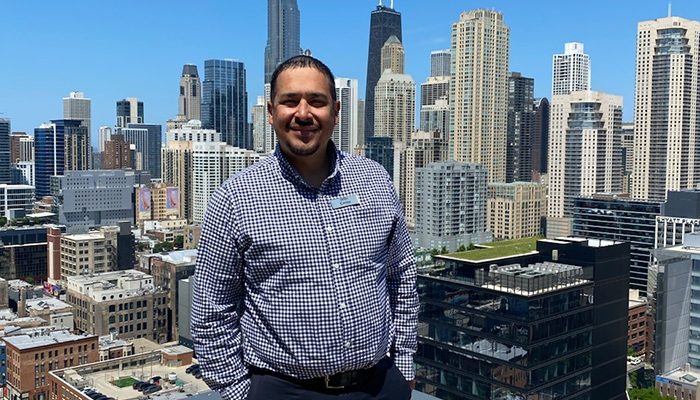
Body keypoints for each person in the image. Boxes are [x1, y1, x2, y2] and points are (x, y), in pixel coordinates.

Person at [191, 55, 418, 400]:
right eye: (289, 101)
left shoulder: (375, 180)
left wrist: (403, 364)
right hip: (284, 390)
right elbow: (212, 311)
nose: (303, 113)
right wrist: (240, 393)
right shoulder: (235, 198)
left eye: (316, 101)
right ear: (271, 112)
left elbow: (401, 276)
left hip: (379, 384)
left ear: (336, 111)